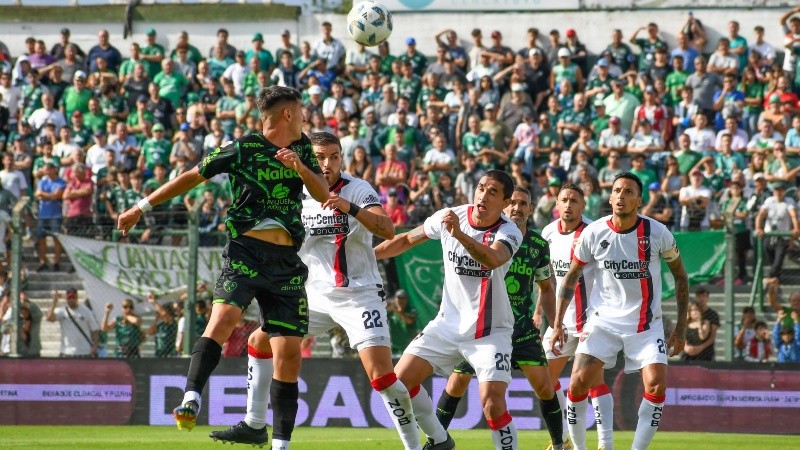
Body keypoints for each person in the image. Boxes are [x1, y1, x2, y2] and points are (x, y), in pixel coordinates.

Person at [117, 86, 328, 445]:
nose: (306, 115)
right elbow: (192, 176)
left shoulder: (303, 147)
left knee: (289, 354)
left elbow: (323, 193)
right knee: (224, 319)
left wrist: (300, 169)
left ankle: (280, 444)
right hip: (245, 251)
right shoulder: (243, 147)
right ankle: (191, 398)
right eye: (301, 109)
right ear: (288, 114)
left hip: (286, 262)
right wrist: (141, 207)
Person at [210, 132, 422, 450]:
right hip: (314, 295)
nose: (327, 163)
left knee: (382, 379)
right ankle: (254, 424)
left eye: (334, 156)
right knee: (258, 340)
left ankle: (414, 446)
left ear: (341, 158)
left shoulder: (358, 188)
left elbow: (387, 229)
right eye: (320, 157)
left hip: (358, 293)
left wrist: (348, 207)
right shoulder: (293, 194)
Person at [375, 170, 523, 450]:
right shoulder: (450, 215)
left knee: (492, 403)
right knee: (399, 383)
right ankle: (440, 440)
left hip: (489, 332)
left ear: (505, 203)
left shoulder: (509, 231)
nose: (483, 195)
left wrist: (459, 235)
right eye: (481, 188)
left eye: (493, 192)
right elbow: (407, 240)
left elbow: (493, 259)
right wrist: (367, 258)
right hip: (447, 325)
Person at [551, 172, 689, 450]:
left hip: (645, 325)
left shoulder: (657, 232)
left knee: (657, 386)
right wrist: (556, 323)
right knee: (577, 385)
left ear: (639, 200)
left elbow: (681, 276)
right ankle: (578, 449)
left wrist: (681, 327)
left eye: (628, 192)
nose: (621, 196)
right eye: (617, 191)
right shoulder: (594, 232)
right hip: (603, 323)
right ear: (610, 197)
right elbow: (571, 277)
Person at [434, 185, 565, 449]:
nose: (517, 208)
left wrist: (556, 325)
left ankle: (559, 445)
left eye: (523, 204)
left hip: (521, 329)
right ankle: (435, 441)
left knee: (545, 387)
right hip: (484, 327)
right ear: (504, 205)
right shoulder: (488, 236)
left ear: (531, 208)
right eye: (513, 203)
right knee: (456, 384)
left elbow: (547, 288)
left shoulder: (539, 245)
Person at [540, 184, 613, 450]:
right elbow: (546, 278)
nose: (568, 205)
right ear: (556, 204)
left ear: (583, 205)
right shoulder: (548, 233)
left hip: (591, 321)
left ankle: (605, 444)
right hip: (559, 320)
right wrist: (541, 312)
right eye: (564, 200)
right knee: (544, 381)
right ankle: (563, 439)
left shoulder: (594, 231)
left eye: (574, 200)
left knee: (592, 382)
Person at [755, 182, 800, 284]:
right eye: (776, 190)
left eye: (780, 190)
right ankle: (776, 279)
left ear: (784, 191)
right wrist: (758, 228)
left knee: (778, 259)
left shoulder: (789, 202)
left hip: (782, 236)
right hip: (769, 234)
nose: (778, 193)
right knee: (772, 260)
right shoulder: (769, 201)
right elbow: (761, 214)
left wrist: (796, 228)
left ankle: (770, 279)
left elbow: (793, 215)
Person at [45, 288, 100, 357]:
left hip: (84, 352)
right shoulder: (62, 311)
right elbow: (49, 318)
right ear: (66, 298)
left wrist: (95, 346)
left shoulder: (86, 311)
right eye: (69, 297)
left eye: (73, 297)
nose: (71, 300)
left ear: (77, 298)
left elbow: (95, 330)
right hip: (66, 351)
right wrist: (54, 302)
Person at [386, 289, 418, 358]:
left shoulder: (411, 310)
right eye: (398, 298)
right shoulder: (391, 311)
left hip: (408, 349)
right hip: (394, 350)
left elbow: (409, 321)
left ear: (407, 299)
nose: (400, 300)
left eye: (403, 298)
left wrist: (398, 311)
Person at [691, 287, 720, 361]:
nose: (701, 299)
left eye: (704, 296)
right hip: (690, 352)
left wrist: (700, 348)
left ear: (707, 298)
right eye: (699, 296)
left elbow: (712, 336)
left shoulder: (713, 315)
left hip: (706, 352)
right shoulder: (691, 313)